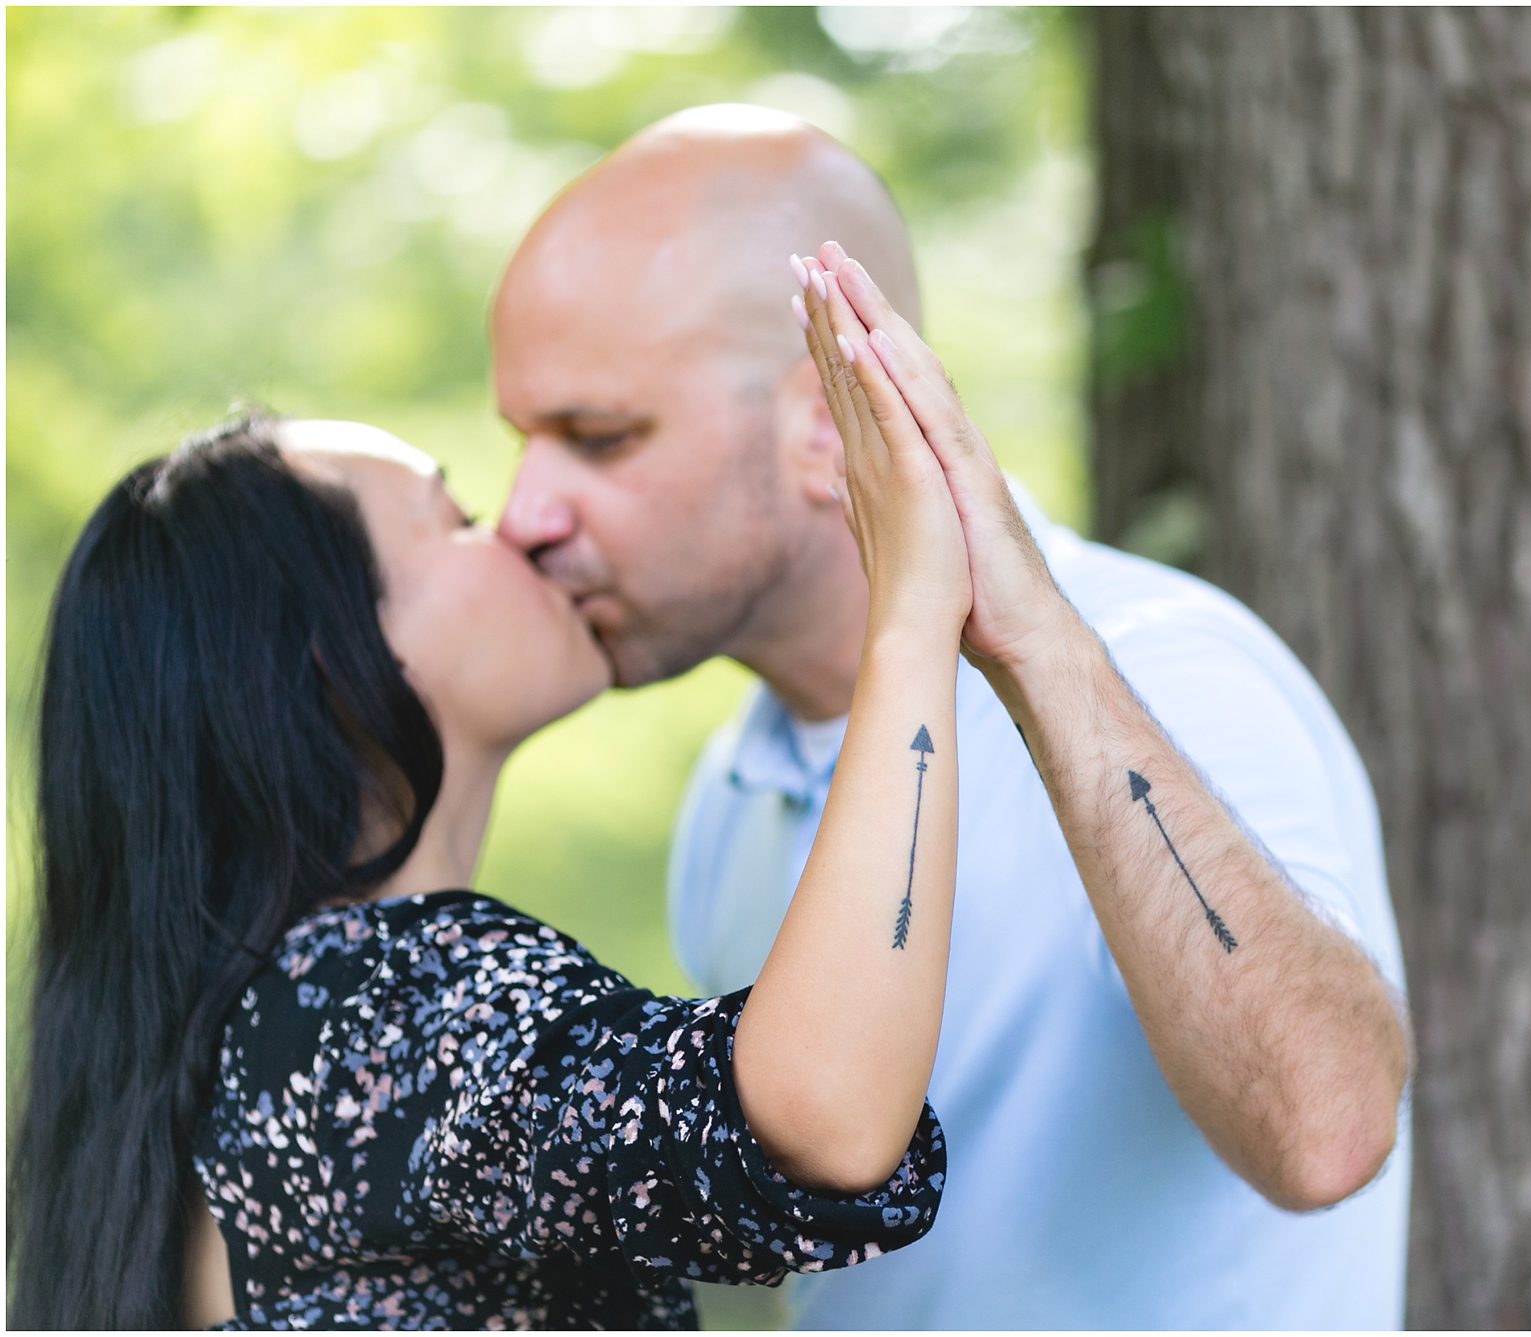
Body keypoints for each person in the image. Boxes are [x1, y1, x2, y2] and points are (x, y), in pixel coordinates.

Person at [494, 103, 1416, 1330]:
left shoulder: (1168, 671)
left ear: (828, 417)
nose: (525, 511)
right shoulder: (736, 785)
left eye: (597, 437)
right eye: (522, 440)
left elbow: (1326, 1130)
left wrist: (1025, 637)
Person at [6, 342, 970, 1329]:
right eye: (455, 520)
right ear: (335, 655)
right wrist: (910, 609)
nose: (524, 527)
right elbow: (820, 1120)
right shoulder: (373, 1007)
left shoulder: (271, 1029)